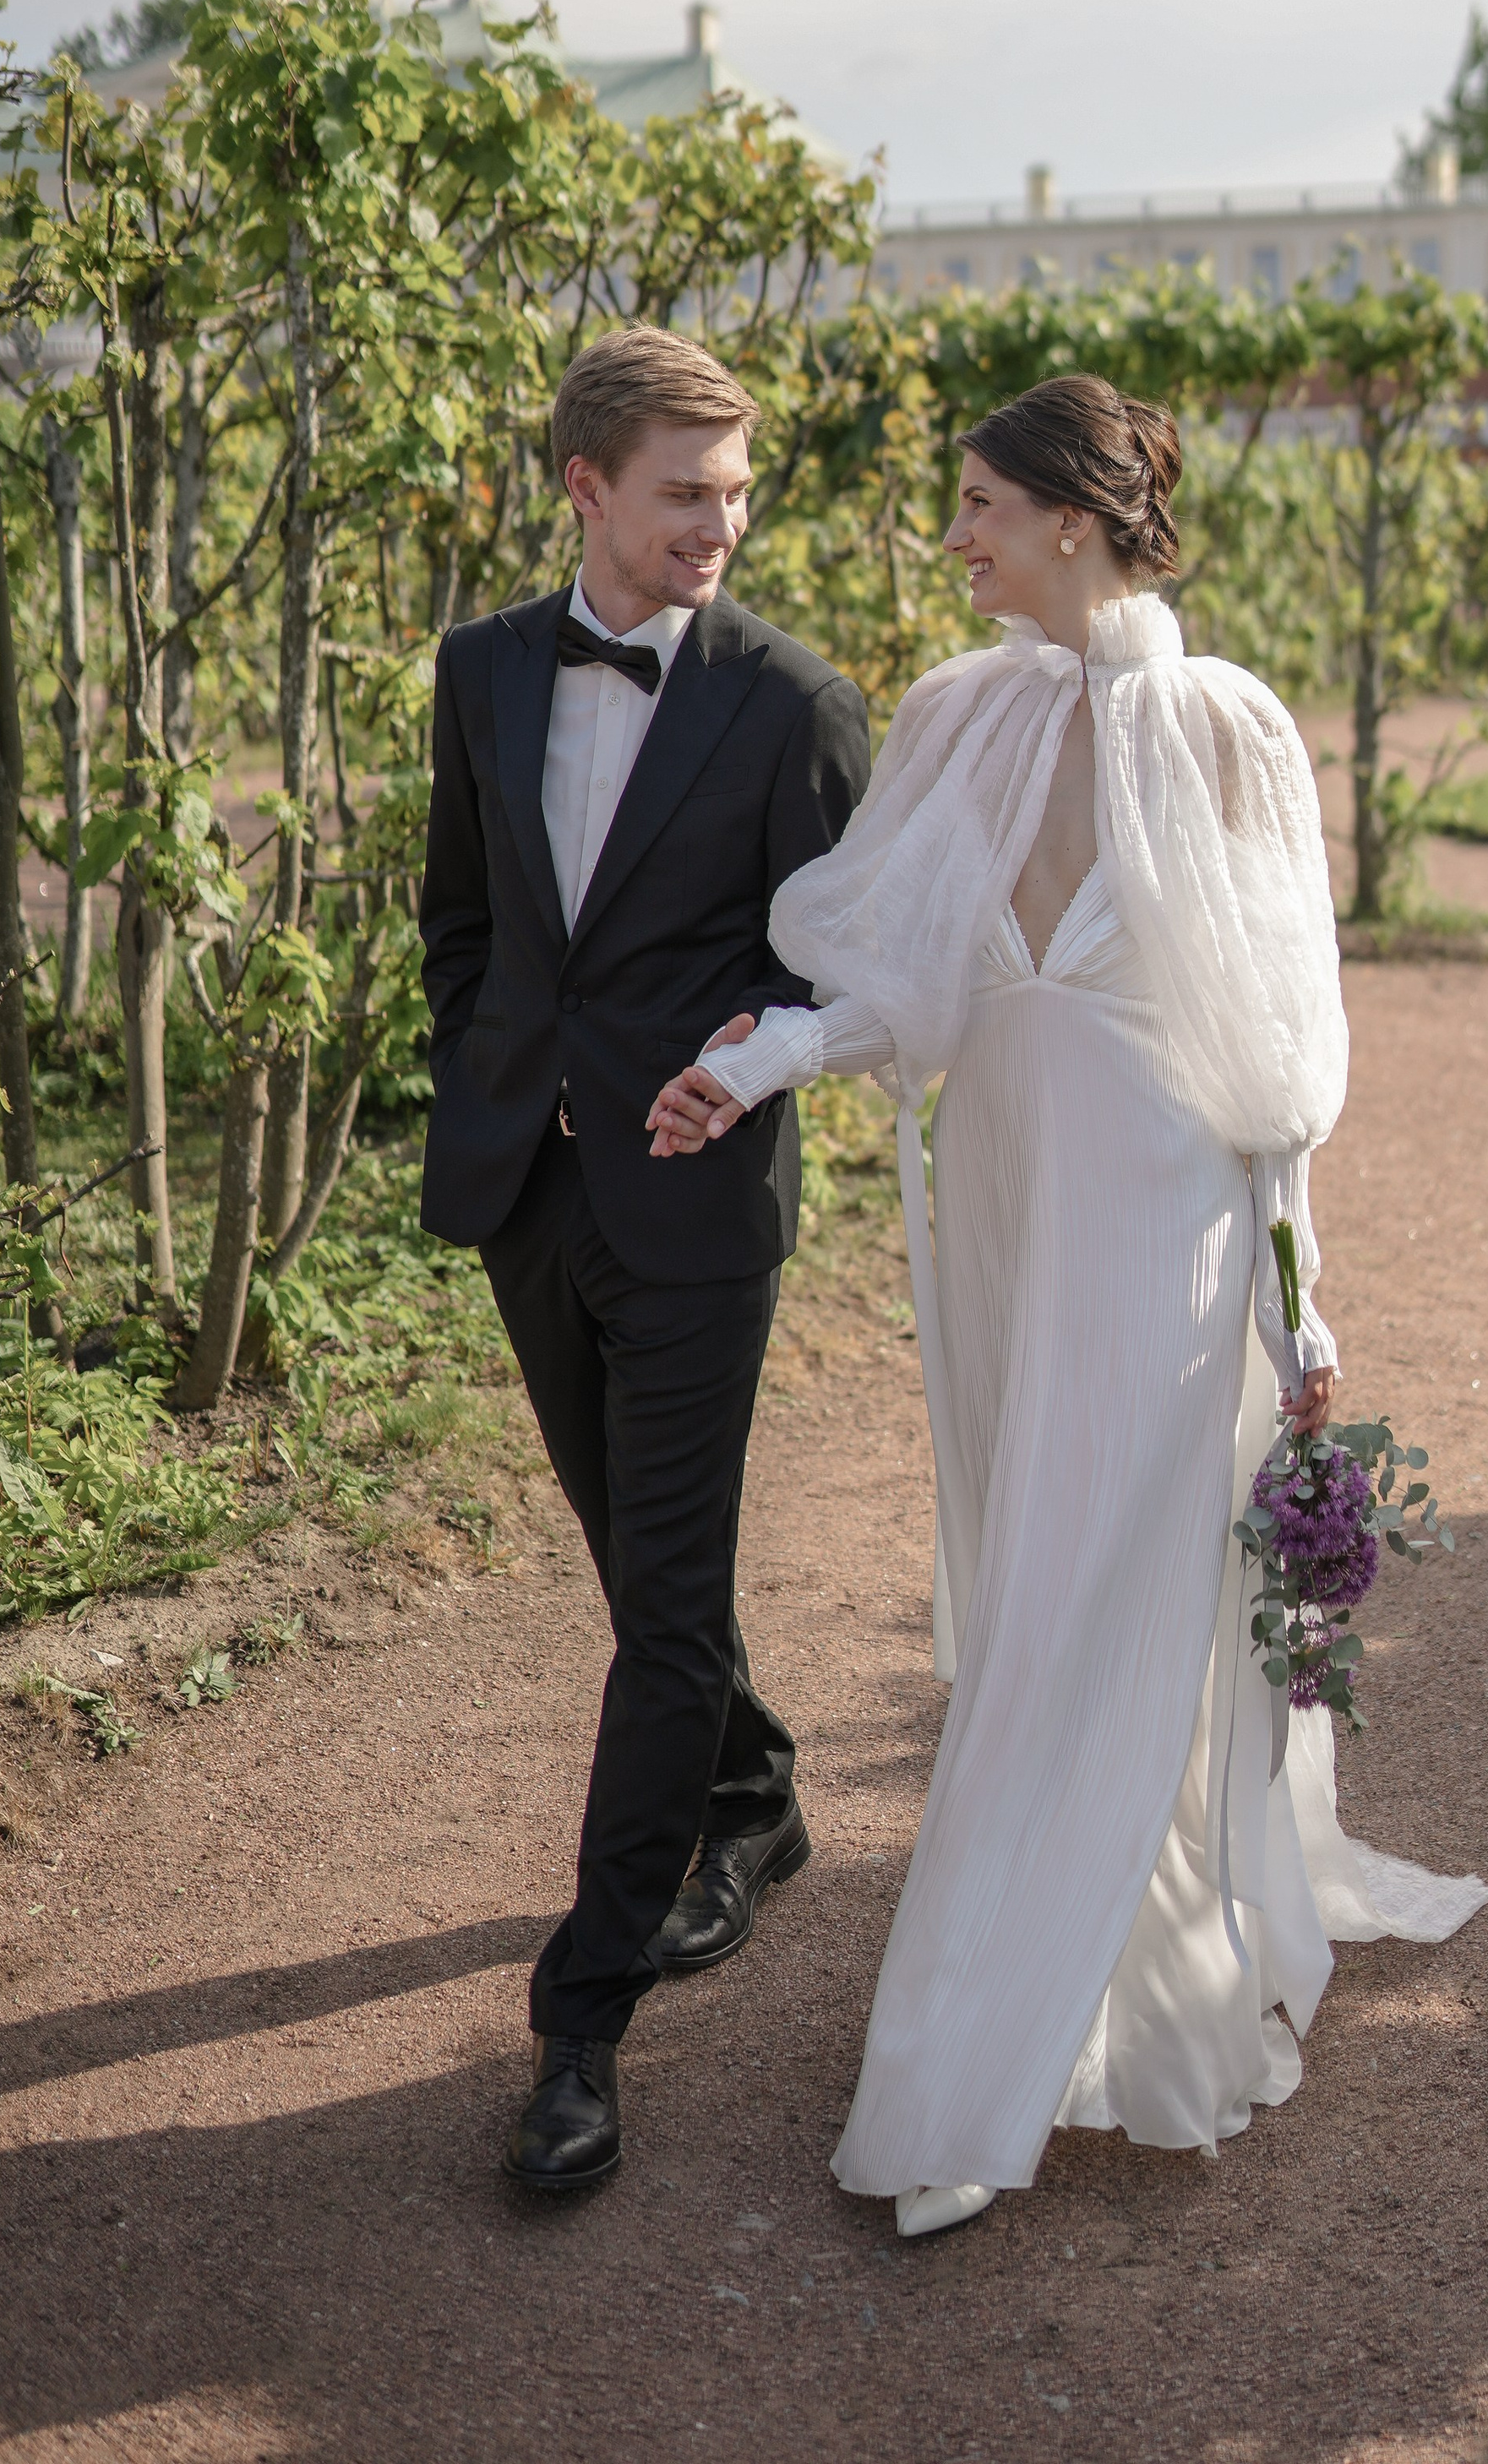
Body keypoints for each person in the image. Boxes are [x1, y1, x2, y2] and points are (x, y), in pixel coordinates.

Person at [650, 373, 1488, 2239]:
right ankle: (1110, 1945)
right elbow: (911, 992)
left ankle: (970, 2072)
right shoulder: (957, 720)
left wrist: (1299, 1298)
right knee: (1039, 1590)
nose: (950, 536)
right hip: (1012, 1219)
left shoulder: (1227, 732)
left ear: (1072, 517)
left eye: (974, 504)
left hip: (1165, 1235)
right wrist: (764, 1061)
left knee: (1068, 1620)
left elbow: (1274, 1064)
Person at [419, 324, 870, 2193]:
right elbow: (462, 916)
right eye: (685, 490)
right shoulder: (478, 669)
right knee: (635, 1566)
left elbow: (839, 975)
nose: (721, 522)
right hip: (530, 1187)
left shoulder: (795, 703)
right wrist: (497, 1087)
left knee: (662, 1611)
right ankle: (753, 1801)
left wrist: (718, 1080)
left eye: (738, 488)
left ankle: (579, 2024)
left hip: (697, 1221)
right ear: (586, 487)